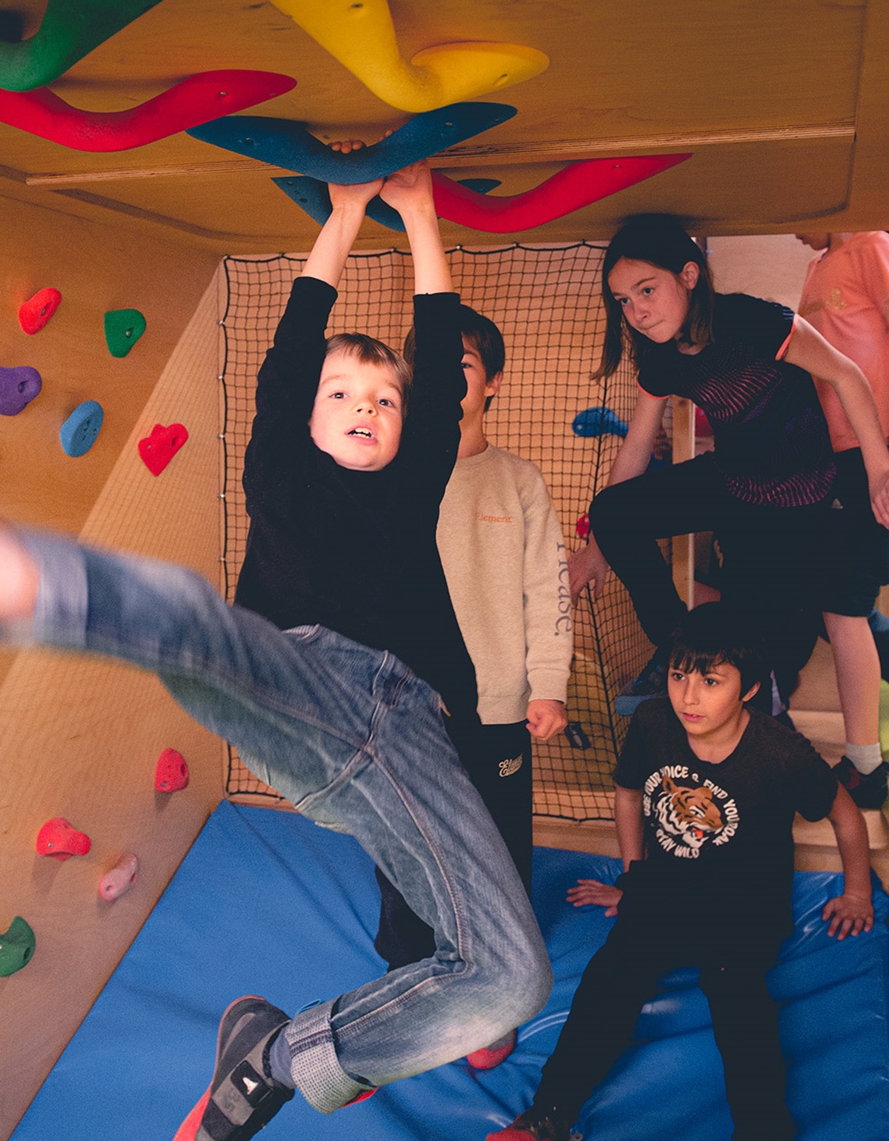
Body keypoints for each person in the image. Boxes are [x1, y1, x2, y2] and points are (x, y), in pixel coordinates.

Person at [0, 162, 552, 1141]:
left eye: (384, 399)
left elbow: (427, 342)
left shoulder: (414, 477)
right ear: (304, 412)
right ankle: (40, 583)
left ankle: (281, 1056)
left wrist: (420, 218)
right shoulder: (280, 466)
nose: (366, 408)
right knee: (195, 625)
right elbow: (294, 346)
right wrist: (341, 222)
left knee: (508, 979)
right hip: (291, 673)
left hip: (405, 726)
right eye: (344, 393)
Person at [486, 603, 874, 1141]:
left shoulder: (781, 753)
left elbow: (845, 814)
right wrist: (633, 877)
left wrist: (858, 891)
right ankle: (547, 1116)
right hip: (664, 894)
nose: (688, 696)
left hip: (745, 909)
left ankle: (764, 1130)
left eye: (710, 680)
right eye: (677, 674)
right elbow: (627, 792)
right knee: (608, 981)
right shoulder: (652, 722)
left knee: (740, 1004)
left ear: (750, 689)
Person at [568, 213, 889, 808]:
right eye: (622, 300)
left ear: (689, 276)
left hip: (798, 495)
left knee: (759, 643)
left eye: (647, 290)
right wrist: (597, 545)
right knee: (613, 511)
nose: (636, 311)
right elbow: (637, 446)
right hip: (735, 482)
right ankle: (677, 645)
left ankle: (788, 745)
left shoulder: (752, 321)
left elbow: (845, 375)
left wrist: (877, 467)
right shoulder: (659, 357)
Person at [373, 306, 572, 1068]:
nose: (440, 380)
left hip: (495, 706)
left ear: (491, 380)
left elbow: (546, 591)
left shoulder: (517, 479)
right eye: (424, 365)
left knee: (493, 849)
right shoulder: (387, 475)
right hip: (402, 707)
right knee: (399, 839)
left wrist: (545, 684)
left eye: (460, 364)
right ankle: (405, 979)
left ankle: (495, 986)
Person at [795, 229, 889, 792]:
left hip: (873, 448)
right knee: (837, 600)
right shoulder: (820, 266)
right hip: (836, 455)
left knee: (843, 603)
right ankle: (867, 761)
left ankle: (867, 766)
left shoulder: (872, 245)